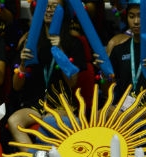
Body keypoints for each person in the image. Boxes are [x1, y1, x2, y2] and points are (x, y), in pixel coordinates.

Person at [7, 0, 87, 145]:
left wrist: (60, 50)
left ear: (63, 11)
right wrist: (23, 65)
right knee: (14, 121)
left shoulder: (74, 42)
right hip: (34, 103)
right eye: (46, 6)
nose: (49, 9)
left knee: (49, 120)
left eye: (55, 7)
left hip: (60, 103)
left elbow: (72, 82)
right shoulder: (30, 41)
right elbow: (16, 86)